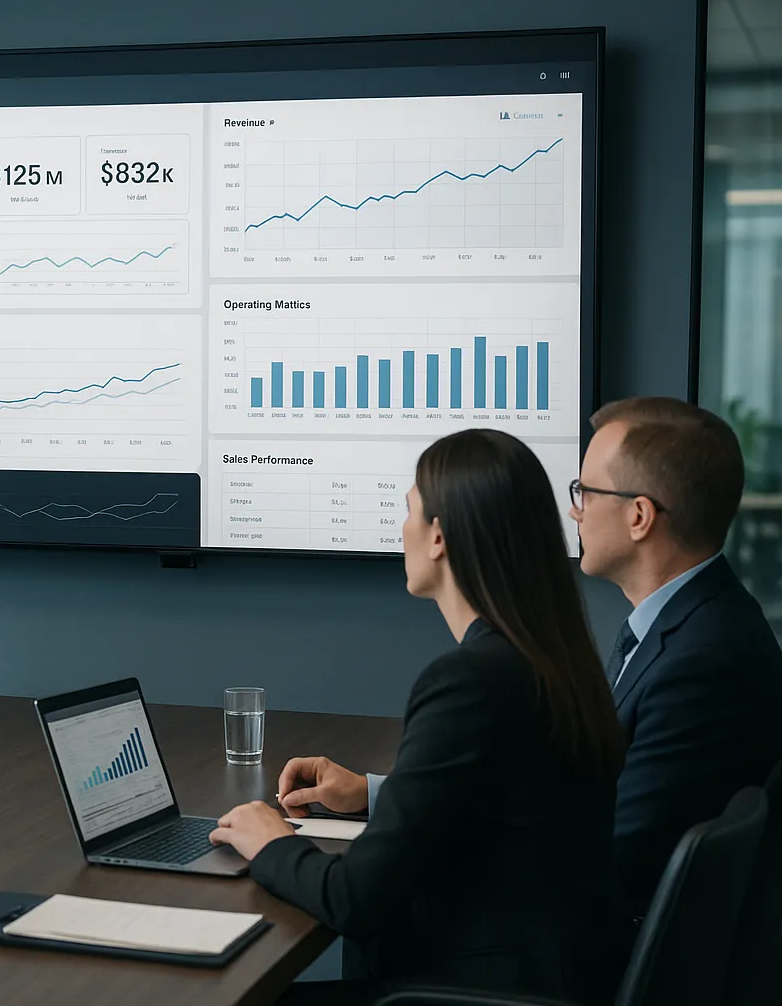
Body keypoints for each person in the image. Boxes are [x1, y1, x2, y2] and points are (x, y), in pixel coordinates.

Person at [208, 430, 628, 1004]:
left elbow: (357, 899)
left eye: (407, 510)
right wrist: (373, 795)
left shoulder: (469, 681)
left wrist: (271, 842)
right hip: (545, 978)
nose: (400, 527)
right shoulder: (556, 663)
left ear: (438, 536)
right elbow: (496, 815)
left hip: (464, 991)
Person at [571, 396, 782, 915]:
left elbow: (617, 856)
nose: (575, 510)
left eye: (586, 492)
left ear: (639, 516)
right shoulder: (692, 623)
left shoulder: (704, 662)